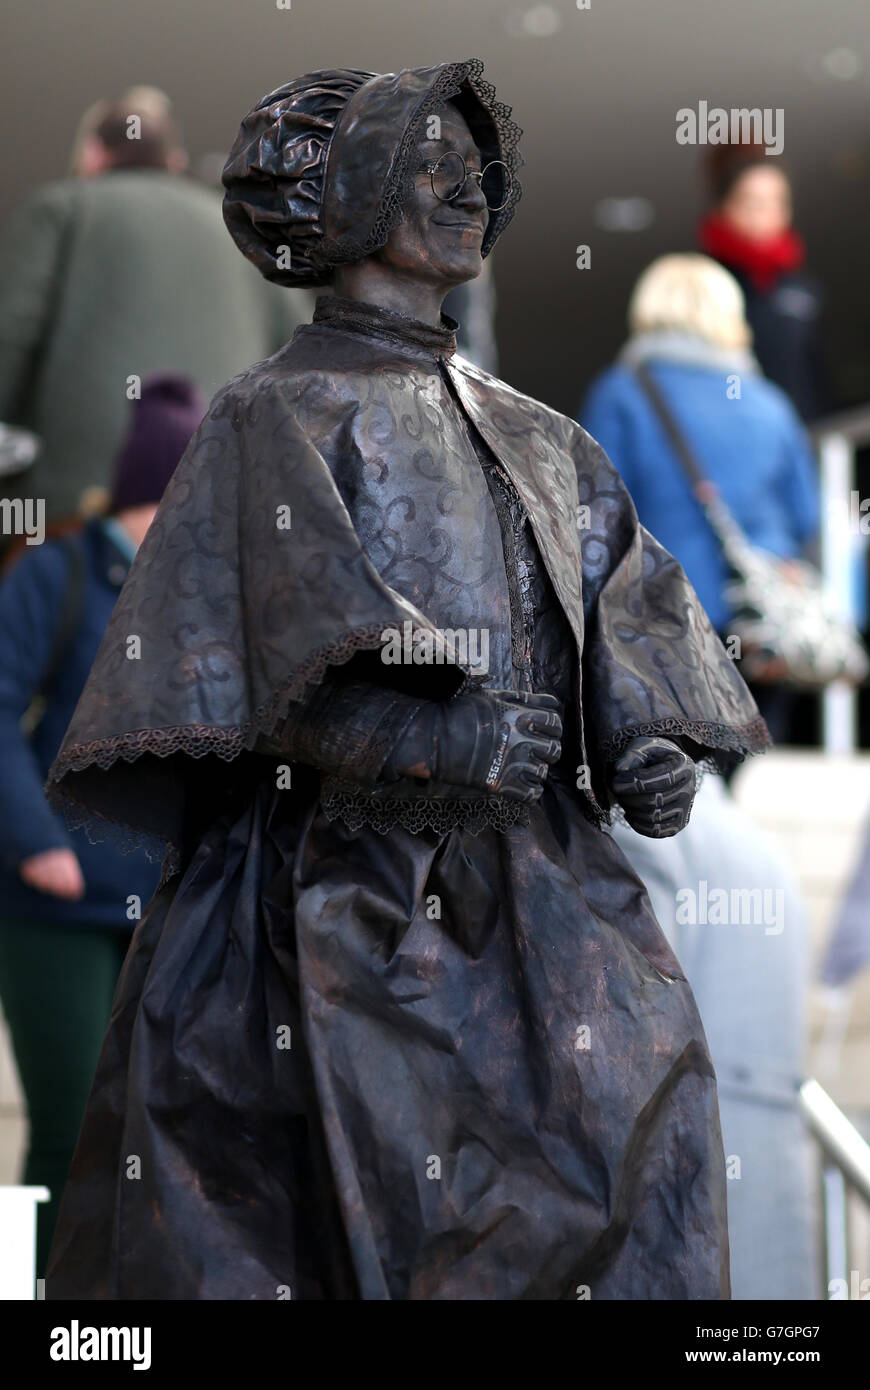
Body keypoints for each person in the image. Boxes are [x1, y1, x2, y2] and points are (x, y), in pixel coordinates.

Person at [45, 61, 769, 1303]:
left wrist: (644, 729)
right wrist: (419, 733)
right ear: (341, 198)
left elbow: (620, 594)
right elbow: (248, 644)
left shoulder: (545, 433)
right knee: (325, 1210)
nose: (461, 186)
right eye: (425, 162)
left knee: (629, 1145)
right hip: (321, 905)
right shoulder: (272, 414)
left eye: (469, 164)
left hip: (545, 915)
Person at [0, 372, 205, 1277]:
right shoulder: (55, 574)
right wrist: (35, 841)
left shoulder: (201, 592)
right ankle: (33, 1294)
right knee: (67, 1126)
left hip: (165, 907)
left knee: (160, 1131)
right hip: (55, 905)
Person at [0, 91, 312, 528]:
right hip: (224, 509)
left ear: (91, 153)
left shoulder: (61, 208)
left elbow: (10, 337)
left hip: (83, 510)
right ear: (176, 160)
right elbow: (304, 358)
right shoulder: (240, 236)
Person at [580, 253, 820, 744]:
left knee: (673, 784)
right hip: (761, 628)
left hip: (661, 620)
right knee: (735, 767)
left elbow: (592, 515)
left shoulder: (622, 393)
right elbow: (807, 516)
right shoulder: (768, 401)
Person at [699, 152, 827, 422]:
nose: (767, 214)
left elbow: (817, 379)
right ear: (725, 207)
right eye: (753, 202)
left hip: (799, 439)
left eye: (777, 202)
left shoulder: (802, 288)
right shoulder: (704, 283)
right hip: (729, 439)